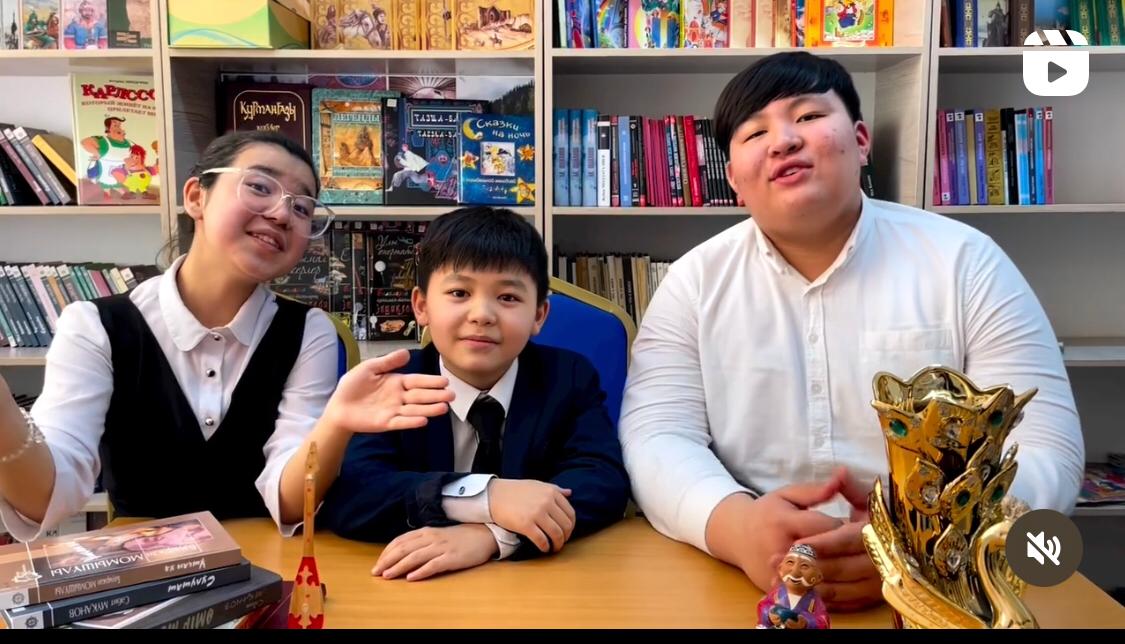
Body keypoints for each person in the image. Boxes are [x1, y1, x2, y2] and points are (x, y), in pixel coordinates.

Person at [617, 51, 1084, 611]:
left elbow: (1045, 445)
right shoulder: (693, 282)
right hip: (743, 584)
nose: (784, 140)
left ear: (861, 141)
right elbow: (657, 435)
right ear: (735, 180)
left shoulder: (966, 262)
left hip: (951, 591)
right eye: (755, 132)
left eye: (809, 116)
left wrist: (924, 539)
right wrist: (734, 525)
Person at [0, 130, 453, 541]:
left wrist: (335, 422)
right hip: (145, 570)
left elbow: (291, 505)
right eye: (259, 186)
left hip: (267, 565)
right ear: (196, 196)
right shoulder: (95, 326)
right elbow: (48, 498)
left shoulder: (308, 331)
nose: (282, 213)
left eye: (302, 207)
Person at [321, 206, 630, 581]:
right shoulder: (395, 383)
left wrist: (492, 535)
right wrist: (482, 497)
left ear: (539, 315)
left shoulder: (569, 377)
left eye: (508, 297)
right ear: (421, 306)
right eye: (459, 292)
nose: (482, 314)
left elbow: (602, 483)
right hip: (416, 589)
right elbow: (354, 495)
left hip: (538, 586)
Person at [757, 544, 831, 629]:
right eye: (790, 562)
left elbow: (823, 620)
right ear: (780, 569)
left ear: (817, 578)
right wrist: (769, 615)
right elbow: (763, 606)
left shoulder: (813, 601)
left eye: (804, 566)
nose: (795, 572)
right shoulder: (776, 594)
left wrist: (806, 623)